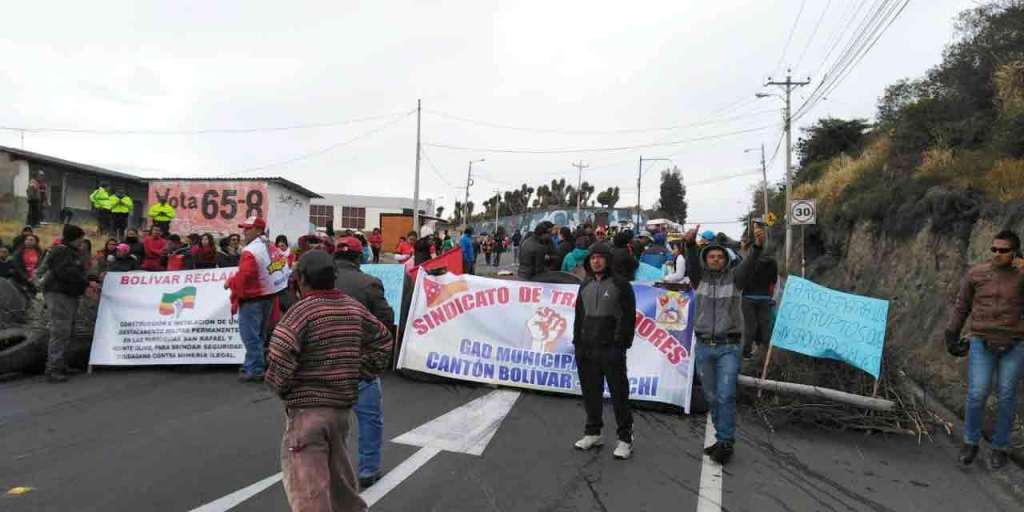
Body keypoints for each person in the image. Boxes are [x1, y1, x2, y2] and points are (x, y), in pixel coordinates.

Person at [265, 250, 393, 512]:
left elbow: (280, 353)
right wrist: (358, 370)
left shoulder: (300, 313)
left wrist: (285, 386)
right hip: (340, 411)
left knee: (310, 492)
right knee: (340, 486)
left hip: (307, 413)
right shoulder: (351, 307)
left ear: (301, 279)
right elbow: (383, 339)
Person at [943, 229, 1024, 470]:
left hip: (1015, 343)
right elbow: (962, 306)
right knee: (977, 393)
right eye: (994, 249)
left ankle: (1000, 446)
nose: (997, 254)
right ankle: (970, 442)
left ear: (1015, 252)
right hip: (981, 341)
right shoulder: (976, 273)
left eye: (1003, 250)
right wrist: (951, 334)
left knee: (1007, 395)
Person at [688, 225, 763, 465]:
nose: (716, 259)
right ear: (705, 259)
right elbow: (690, 263)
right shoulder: (698, 279)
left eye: (720, 256)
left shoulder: (736, 279)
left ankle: (726, 443)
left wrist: (758, 247)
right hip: (703, 346)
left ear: (726, 259)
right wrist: (689, 244)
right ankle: (721, 439)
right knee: (711, 396)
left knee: (726, 394)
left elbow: (750, 264)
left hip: (728, 346)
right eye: (711, 256)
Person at [333, 236, 394, 488]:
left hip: (324, 365)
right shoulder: (370, 283)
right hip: (359, 363)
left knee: (329, 421)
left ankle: (331, 468)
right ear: (360, 257)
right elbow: (385, 322)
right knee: (369, 419)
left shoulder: (316, 281)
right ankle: (368, 469)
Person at [572, 242, 637, 459]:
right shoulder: (585, 284)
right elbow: (579, 317)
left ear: (608, 260)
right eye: (592, 258)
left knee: (619, 395)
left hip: (611, 350)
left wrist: (621, 345)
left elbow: (628, 318)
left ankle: (625, 439)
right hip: (587, 349)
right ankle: (593, 432)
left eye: (600, 257)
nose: (596, 261)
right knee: (591, 393)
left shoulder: (621, 285)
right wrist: (578, 344)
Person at [225, 215, 289, 382]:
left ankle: (255, 369)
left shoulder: (250, 251)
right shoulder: (269, 245)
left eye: (248, 228)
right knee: (259, 335)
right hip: (268, 296)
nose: (244, 232)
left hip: (253, 298)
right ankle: (254, 365)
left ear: (258, 230)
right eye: (244, 228)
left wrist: (230, 282)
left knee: (250, 336)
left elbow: (245, 275)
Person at [42, 224, 96, 383]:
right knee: (60, 331)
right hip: (59, 293)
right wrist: (86, 282)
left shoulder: (71, 252)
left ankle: (61, 363)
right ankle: (53, 368)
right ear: (74, 238)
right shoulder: (62, 251)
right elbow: (67, 272)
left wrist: (87, 280)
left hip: (69, 294)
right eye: (80, 238)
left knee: (68, 331)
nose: (82, 241)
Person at [739, 223, 778, 359]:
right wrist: (769, 296)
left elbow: (740, 281)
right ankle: (766, 353)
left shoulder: (746, 263)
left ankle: (746, 352)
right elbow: (773, 283)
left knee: (749, 326)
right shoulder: (772, 262)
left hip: (748, 297)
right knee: (765, 325)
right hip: (765, 298)